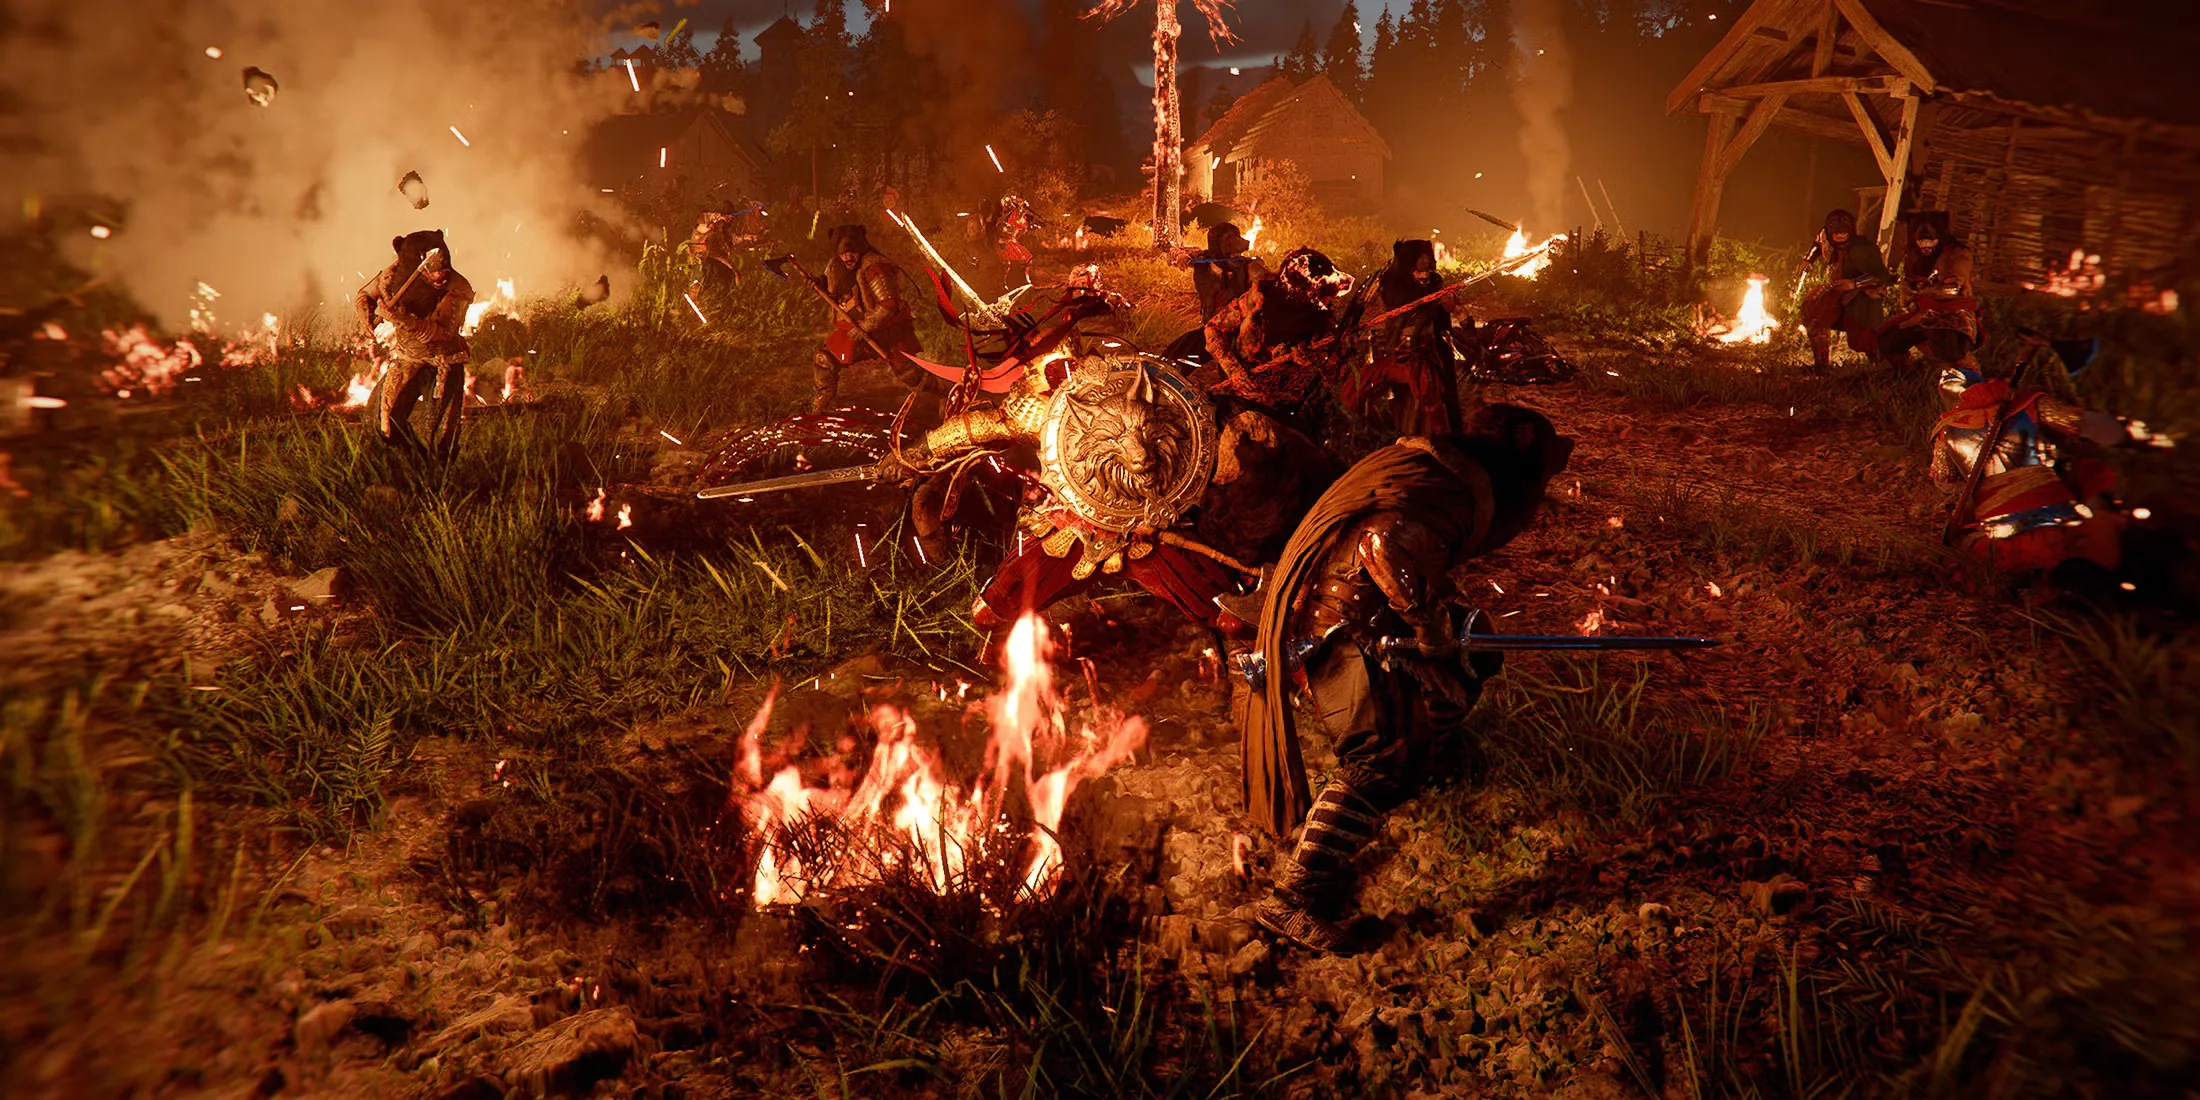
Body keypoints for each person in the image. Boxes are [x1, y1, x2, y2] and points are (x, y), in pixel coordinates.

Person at [1240, 404, 1574, 952]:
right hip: (1341, 625)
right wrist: (1429, 626)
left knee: (1473, 656)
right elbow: (1380, 546)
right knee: (1383, 759)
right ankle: (1293, 899)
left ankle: (1435, 755)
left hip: (1360, 610)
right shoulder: (1451, 487)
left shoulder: (1430, 473)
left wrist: (1442, 619)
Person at [1930, 345, 2171, 580]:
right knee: (2095, 494)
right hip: (2058, 509)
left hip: (1999, 526)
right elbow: (2081, 423)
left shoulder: (1946, 433)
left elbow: (1946, 483)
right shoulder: (2027, 405)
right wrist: (2138, 435)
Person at [1204, 248, 1355, 436]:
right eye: (1322, 296)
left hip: (1290, 404)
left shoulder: (1321, 321)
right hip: (1245, 400)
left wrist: (1315, 358)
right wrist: (1233, 369)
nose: (1328, 303)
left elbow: (1337, 372)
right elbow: (1213, 329)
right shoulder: (1259, 300)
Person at [356, 230, 472, 458]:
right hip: (407, 360)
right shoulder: (391, 277)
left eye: (443, 266)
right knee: (383, 423)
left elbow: (441, 334)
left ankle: (441, 474)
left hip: (443, 364)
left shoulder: (458, 288)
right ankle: (416, 464)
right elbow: (364, 295)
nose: (440, 274)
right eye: (432, 270)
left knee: (439, 435)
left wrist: (402, 319)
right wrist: (366, 317)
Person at [1342, 239, 1461, 437]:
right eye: (1420, 270)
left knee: (1429, 396)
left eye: (1428, 270)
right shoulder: (1386, 281)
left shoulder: (1435, 285)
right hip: (1391, 355)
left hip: (1424, 355)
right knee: (1354, 393)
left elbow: (1458, 313)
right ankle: (1383, 432)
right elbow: (1360, 305)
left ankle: (1443, 438)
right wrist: (1351, 330)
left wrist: (1457, 312)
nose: (1425, 275)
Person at [810, 224, 931, 414]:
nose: (847, 258)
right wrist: (819, 284)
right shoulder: (836, 266)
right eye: (843, 254)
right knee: (824, 359)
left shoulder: (874, 267)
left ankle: (944, 395)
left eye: (852, 253)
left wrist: (865, 327)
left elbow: (889, 304)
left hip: (888, 329)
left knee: (908, 372)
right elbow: (834, 291)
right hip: (856, 328)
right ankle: (822, 406)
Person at [1878, 212, 1981, 374]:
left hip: (1952, 319)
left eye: (1930, 240)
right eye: (1921, 241)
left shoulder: (1957, 254)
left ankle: (1969, 379)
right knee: (1887, 341)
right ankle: (1904, 374)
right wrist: (1911, 298)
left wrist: (1924, 294)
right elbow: (1908, 284)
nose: (1925, 245)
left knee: (1952, 351)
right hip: (1921, 315)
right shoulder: (1913, 254)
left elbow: (1951, 288)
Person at [1797, 209, 1889, 372]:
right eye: (1836, 235)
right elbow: (1819, 241)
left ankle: (1882, 365)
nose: (1840, 238)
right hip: (1840, 292)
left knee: (1862, 337)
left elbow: (1880, 275)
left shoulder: (1863, 249)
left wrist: (1854, 283)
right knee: (1814, 313)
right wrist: (1808, 259)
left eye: (1843, 235)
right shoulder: (1828, 240)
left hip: (1863, 297)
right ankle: (1821, 366)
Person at [1191, 222, 1265, 321]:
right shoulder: (1203, 267)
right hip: (1216, 322)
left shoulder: (1245, 265)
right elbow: (1210, 300)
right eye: (1229, 238)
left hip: (1244, 320)